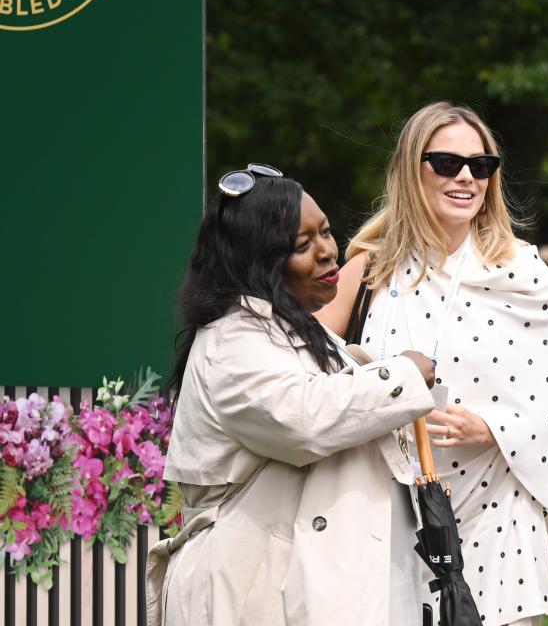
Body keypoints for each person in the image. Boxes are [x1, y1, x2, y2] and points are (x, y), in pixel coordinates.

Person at [318, 102, 548, 626]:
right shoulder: (372, 265)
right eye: (447, 163)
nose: (467, 176)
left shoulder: (522, 269)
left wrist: (495, 428)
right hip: (391, 506)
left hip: (499, 507)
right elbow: (304, 358)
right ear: (411, 168)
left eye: (482, 165)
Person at [150, 165, 438, 626]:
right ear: (258, 261)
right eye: (302, 245)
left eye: (325, 232)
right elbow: (305, 418)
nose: (327, 252)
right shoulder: (233, 341)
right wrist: (401, 374)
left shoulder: (290, 331)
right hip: (243, 592)